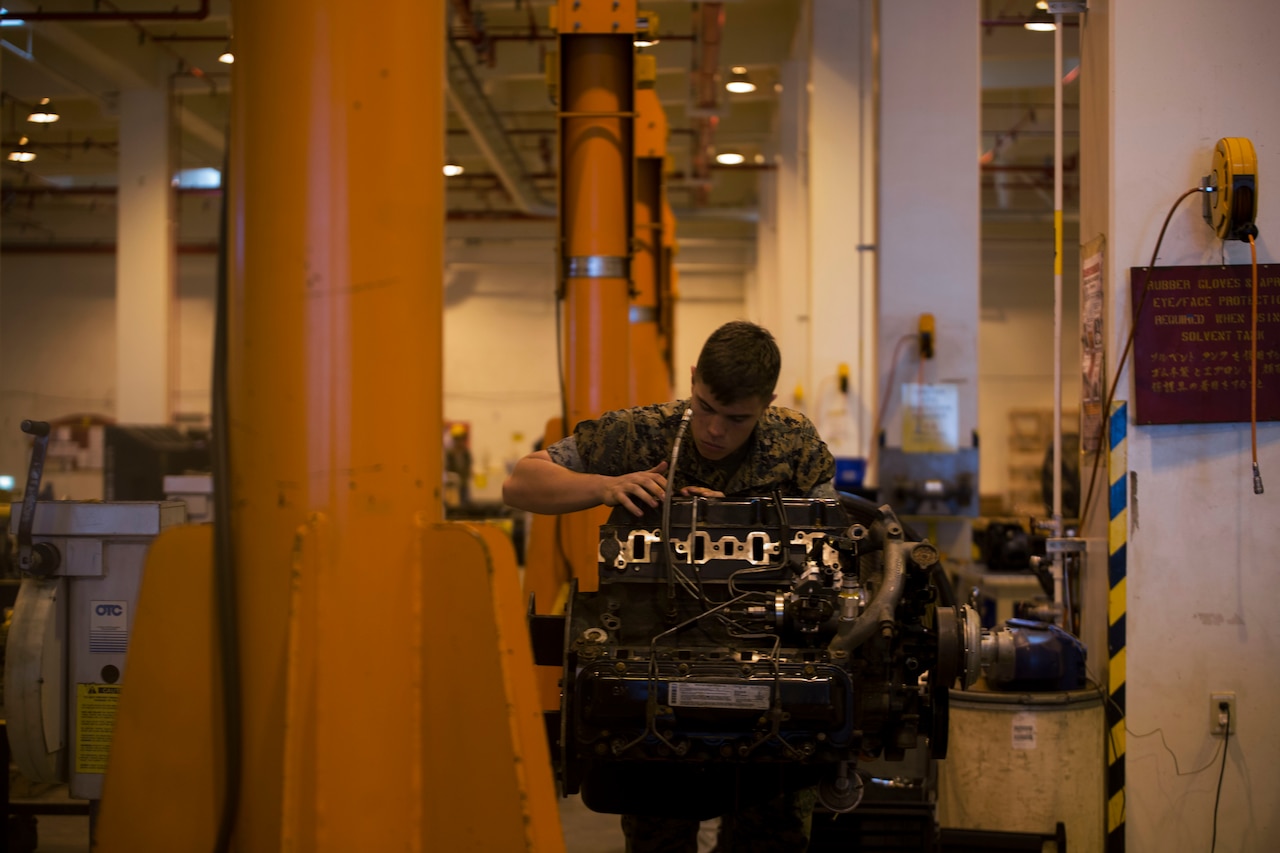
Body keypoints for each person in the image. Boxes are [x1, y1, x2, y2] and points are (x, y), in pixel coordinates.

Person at [503, 320, 837, 852]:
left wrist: (737, 517)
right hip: (653, 676)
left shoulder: (793, 444)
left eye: (736, 418)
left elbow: (830, 542)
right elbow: (521, 481)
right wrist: (605, 485)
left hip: (771, 677)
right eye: (704, 407)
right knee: (657, 837)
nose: (715, 431)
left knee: (771, 838)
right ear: (692, 380)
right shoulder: (638, 434)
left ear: (767, 403)